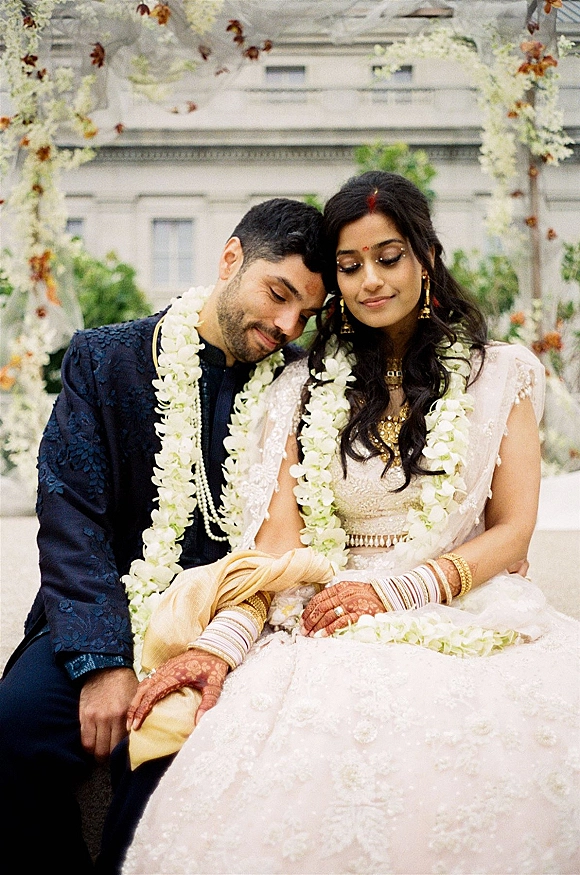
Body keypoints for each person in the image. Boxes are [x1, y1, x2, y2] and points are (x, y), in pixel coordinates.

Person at [120, 171, 579, 875]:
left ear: (426, 255)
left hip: (463, 604)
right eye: (350, 265)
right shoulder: (300, 386)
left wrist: (396, 592)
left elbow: (513, 531)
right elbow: (279, 547)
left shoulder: (501, 373)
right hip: (321, 615)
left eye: (388, 256)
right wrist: (218, 646)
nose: (371, 280)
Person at [0, 197, 328, 874]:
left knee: (175, 770)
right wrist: (103, 661)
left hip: (234, 631)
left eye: (307, 312)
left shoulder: (302, 385)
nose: (287, 323)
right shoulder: (104, 360)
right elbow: (71, 518)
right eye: (279, 293)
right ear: (231, 258)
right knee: (14, 729)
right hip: (106, 607)